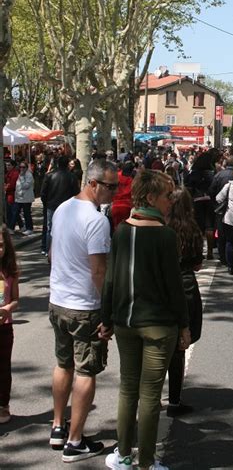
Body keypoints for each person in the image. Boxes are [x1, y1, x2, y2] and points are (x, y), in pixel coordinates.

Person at [101, 170, 190, 470]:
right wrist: (185, 324)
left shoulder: (122, 231)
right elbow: (174, 287)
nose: (170, 201)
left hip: (126, 321)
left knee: (128, 389)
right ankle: (147, 463)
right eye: (166, 196)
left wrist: (106, 317)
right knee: (150, 395)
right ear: (150, 197)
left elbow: (110, 281)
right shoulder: (165, 236)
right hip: (158, 325)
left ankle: (124, 455)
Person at [48, 159, 119, 462]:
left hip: (59, 301)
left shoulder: (64, 208)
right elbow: (99, 271)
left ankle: (57, 427)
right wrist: (109, 311)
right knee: (85, 370)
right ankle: (74, 441)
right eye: (110, 186)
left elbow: (52, 252)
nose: (114, 192)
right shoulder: (96, 220)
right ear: (93, 183)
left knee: (63, 364)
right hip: (84, 306)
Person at [167, 188, 203, 417]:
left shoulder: (162, 227)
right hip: (186, 283)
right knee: (182, 342)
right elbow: (198, 264)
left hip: (164, 283)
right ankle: (174, 399)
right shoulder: (192, 229)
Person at [41, 156, 80, 254]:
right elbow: (76, 192)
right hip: (67, 207)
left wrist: (46, 203)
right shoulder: (72, 177)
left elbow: (43, 193)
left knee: (50, 229)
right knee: (66, 228)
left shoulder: (49, 175)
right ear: (67, 164)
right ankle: (64, 250)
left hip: (51, 205)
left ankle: (48, 250)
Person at [0, 226, 19, 424]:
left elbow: (15, 299)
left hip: (4, 327)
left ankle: (3, 405)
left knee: (3, 367)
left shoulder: (10, 270)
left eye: (1, 245)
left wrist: (7, 309)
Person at [185, 150, 218, 260]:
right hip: (209, 201)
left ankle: (199, 250)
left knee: (198, 228)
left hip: (197, 201)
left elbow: (188, 187)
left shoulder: (193, 173)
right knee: (209, 227)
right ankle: (209, 251)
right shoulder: (212, 174)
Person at [209, 155, 233, 264]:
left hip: (220, 208)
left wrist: (215, 203)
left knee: (221, 233)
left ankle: (223, 256)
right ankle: (232, 256)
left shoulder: (219, 175)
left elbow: (211, 190)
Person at [12, 162, 35, 236]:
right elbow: (18, 186)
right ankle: (18, 227)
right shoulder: (20, 174)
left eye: (23, 167)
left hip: (26, 198)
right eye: (20, 167)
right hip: (20, 198)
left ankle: (29, 228)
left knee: (26, 213)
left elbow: (26, 186)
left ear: (26, 167)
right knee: (15, 212)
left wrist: (21, 177)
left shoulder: (29, 175)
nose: (21, 168)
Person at [110, 162, 134, 230]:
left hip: (115, 206)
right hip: (127, 207)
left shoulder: (117, 177)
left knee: (116, 228)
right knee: (125, 229)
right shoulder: (131, 181)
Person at [4, 161, 20, 232]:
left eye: (9, 165)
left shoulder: (15, 173)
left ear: (13, 166)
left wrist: (5, 187)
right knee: (13, 212)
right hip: (9, 194)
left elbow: (12, 184)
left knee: (13, 212)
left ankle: (11, 227)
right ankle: (21, 226)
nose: (7, 167)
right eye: (6, 165)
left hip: (13, 195)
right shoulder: (8, 173)